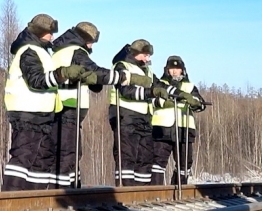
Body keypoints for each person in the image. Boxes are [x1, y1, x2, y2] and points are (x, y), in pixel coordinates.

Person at [50, 22, 146, 187]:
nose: (92, 45)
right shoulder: (77, 52)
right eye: (91, 41)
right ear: (84, 38)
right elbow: (96, 71)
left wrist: (93, 82)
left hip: (59, 106)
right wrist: (124, 77)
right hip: (68, 106)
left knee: (68, 152)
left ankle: (72, 190)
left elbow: (88, 76)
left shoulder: (60, 51)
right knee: (68, 153)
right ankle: (64, 195)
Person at [2, 14, 89, 190]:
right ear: (41, 32)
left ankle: (36, 200)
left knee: (42, 157)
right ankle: (10, 198)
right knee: (24, 156)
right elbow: (37, 80)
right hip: (26, 112)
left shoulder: (41, 52)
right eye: (50, 33)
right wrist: (62, 73)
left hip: (42, 114)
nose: (53, 37)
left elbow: (49, 81)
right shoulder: (29, 51)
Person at [109, 39, 179, 185]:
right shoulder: (122, 66)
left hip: (145, 118)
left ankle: (143, 192)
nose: (148, 59)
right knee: (127, 155)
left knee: (145, 156)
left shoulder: (147, 70)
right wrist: (151, 92)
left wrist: (178, 94)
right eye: (145, 55)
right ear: (136, 53)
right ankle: (126, 192)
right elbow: (126, 91)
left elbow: (159, 84)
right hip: (125, 115)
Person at [151, 55, 205, 184]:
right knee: (158, 162)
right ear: (166, 70)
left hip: (184, 129)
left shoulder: (190, 87)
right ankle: (155, 191)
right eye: (171, 68)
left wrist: (194, 102)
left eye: (177, 68)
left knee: (185, 163)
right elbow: (151, 101)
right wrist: (168, 102)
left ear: (182, 70)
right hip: (162, 129)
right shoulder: (159, 84)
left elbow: (200, 104)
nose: (174, 71)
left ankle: (178, 188)